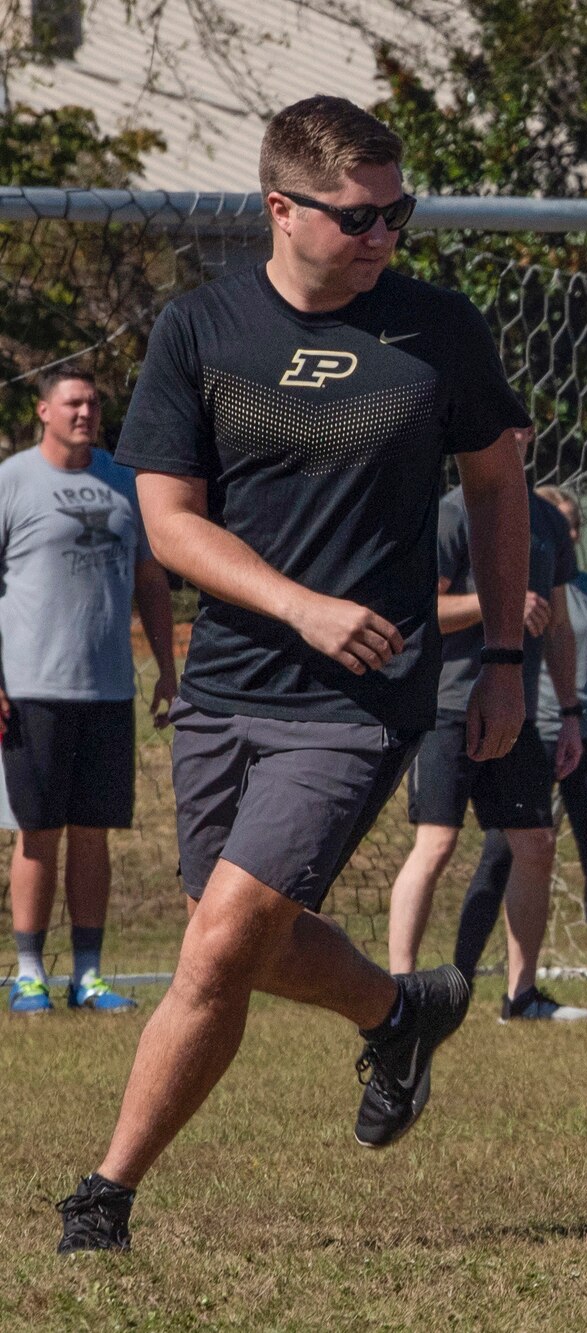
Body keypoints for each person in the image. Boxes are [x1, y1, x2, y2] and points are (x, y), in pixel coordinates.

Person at [56, 95, 532, 1253]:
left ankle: (104, 1197)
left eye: (397, 215)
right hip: (228, 683)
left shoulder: (438, 330)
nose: (385, 238)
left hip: (364, 697)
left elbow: (497, 486)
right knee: (240, 939)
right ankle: (397, 1011)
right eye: (361, 218)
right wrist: (297, 606)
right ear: (282, 208)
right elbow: (167, 521)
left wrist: (508, 652)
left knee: (221, 945)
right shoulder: (201, 329)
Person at [3, 368, 176, 1015]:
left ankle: (89, 975)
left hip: (106, 690)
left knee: (94, 833)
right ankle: (26, 974)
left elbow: (151, 582)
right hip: (29, 690)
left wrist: (166, 665)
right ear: (43, 410)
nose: (85, 412)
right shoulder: (13, 481)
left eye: (93, 402)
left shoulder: (123, 481)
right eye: (72, 402)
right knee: (36, 831)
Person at [385, 482, 585, 1021]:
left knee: (536, 843)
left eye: (523, 427)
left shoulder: (545, 520)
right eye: (506, 427)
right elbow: (420, 611)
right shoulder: (452, 512)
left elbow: (560, 626)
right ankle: (398, 995)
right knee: (437, 845)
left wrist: (570, 715)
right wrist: (495, 605)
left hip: (512, 709)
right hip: (449, 704)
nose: (515, 436)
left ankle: (521, 997)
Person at [454, 486, 587, 1001]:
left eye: (570, 525)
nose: (562, 533)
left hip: (585, 737)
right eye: (554, 523)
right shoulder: (513, 584)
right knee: (500, 858)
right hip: (529, 738)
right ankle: (459, 974)